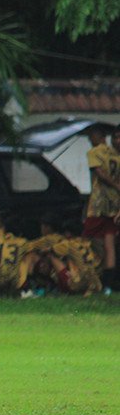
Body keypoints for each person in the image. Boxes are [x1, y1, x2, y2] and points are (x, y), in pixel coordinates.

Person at [83, 125, 120, 292]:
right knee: (109, 244)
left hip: (98, 205)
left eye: (91, 137)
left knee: (91, 242)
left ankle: (94, 281)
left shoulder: (94, 153)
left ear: (97, 137)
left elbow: (99, 173)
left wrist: (115, 185)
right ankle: (107, 286)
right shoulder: (116, 154)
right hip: (114, 205)